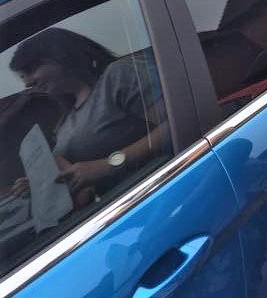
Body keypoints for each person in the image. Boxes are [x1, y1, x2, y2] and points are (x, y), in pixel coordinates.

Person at [9, 27, 169, 202]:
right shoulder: (66, 118)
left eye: (32, 69)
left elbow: (175, 125)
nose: (28, 83)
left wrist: (108, 165)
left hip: (156, 194)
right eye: (24, 77)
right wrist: (42, 183)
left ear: (61, 56)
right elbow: (81, 176)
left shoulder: (118, 76)